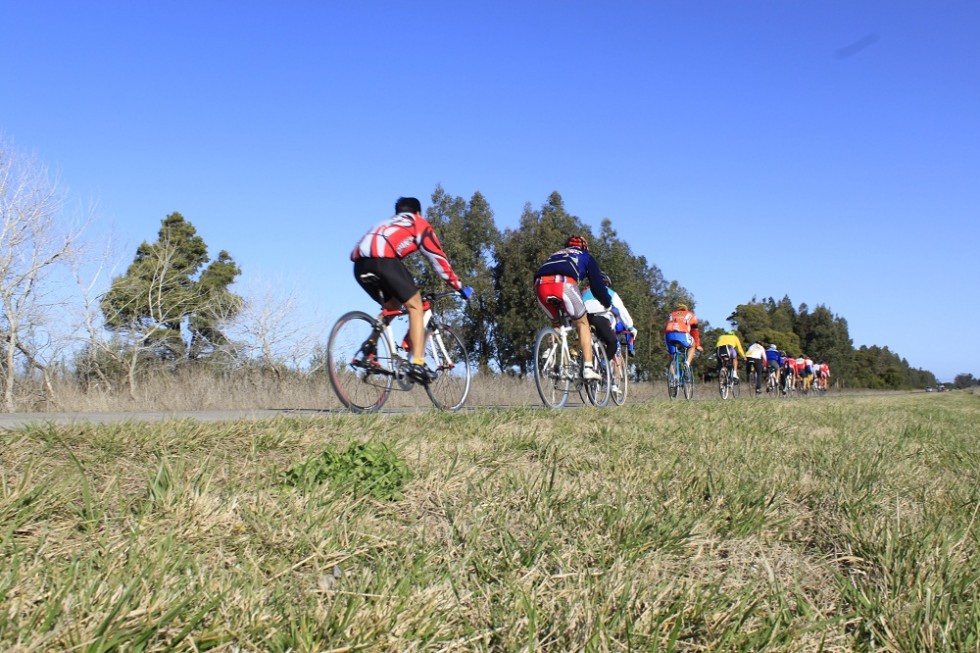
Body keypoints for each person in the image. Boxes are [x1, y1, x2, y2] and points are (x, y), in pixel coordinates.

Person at [351, 196, 472, 384]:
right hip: (384, 261)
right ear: (418, 212)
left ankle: (370, 347)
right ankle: (417, 362)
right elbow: (437, 259)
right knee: (415, 305)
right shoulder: (418, 222)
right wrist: (458, 286)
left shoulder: (385, 223)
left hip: (359, 266)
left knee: (392, 305)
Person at [534, 235, 612, 382]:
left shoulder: (556, 254)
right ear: (585, 247)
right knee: (582, 323)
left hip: (540, 284)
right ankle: (588, 368)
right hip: (564, 284)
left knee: (557, 323)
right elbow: (597, 287)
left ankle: (549, 352)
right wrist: (607, 303)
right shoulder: (586, 256)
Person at [583, 272, 638, 397]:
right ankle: (603, 368)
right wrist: (631, 327)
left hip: (582, 319)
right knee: (612, 343)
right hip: (599, 318)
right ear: (606, 283)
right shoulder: (609, 292)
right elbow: (622, 311)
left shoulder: (584, 292)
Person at [663, 303, 702, 370]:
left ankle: (672, 377)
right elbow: (695, 331)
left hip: (668, 335)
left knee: (672, 355)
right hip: (682, 334)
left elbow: (665, 327)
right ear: (686, 309)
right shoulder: (690, 314)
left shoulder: (671, 314)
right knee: (692, 346)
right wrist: (697, 345)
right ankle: (687, 363)